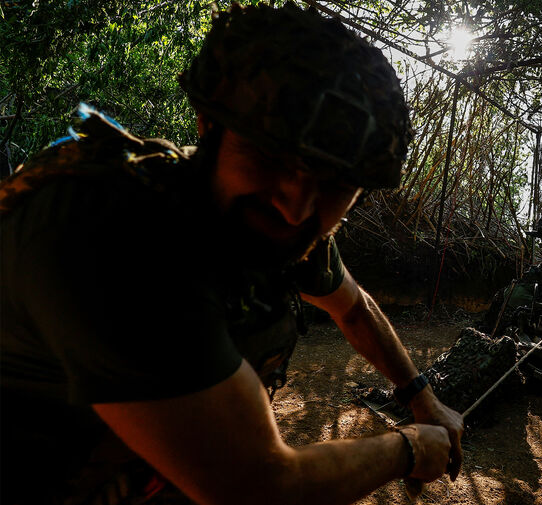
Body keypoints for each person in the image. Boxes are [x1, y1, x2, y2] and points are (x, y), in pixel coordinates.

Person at [0, 4, 463, 504]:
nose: (294, 207)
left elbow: (353, 306)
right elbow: (258, 487)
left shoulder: (274, 228)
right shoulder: (108, 234)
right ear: (207, 127)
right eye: (268, 157)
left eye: (334, 184)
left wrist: (420, 396)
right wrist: (410, 448)